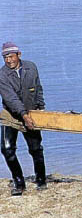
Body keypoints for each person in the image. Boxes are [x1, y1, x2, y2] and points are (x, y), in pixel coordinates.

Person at [0, 42, 47, 196]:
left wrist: (41, 107)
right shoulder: (2, 75)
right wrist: (24, 115)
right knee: (7, 149)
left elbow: (38, 88)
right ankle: (19, 182)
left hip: (31, 113)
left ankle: (41, 180)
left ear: (19, 55)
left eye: (11, 56)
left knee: (35, 149)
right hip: (11, 115)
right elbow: (11, 99)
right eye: (5, 57)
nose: (8, 60)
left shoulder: (31, 67)